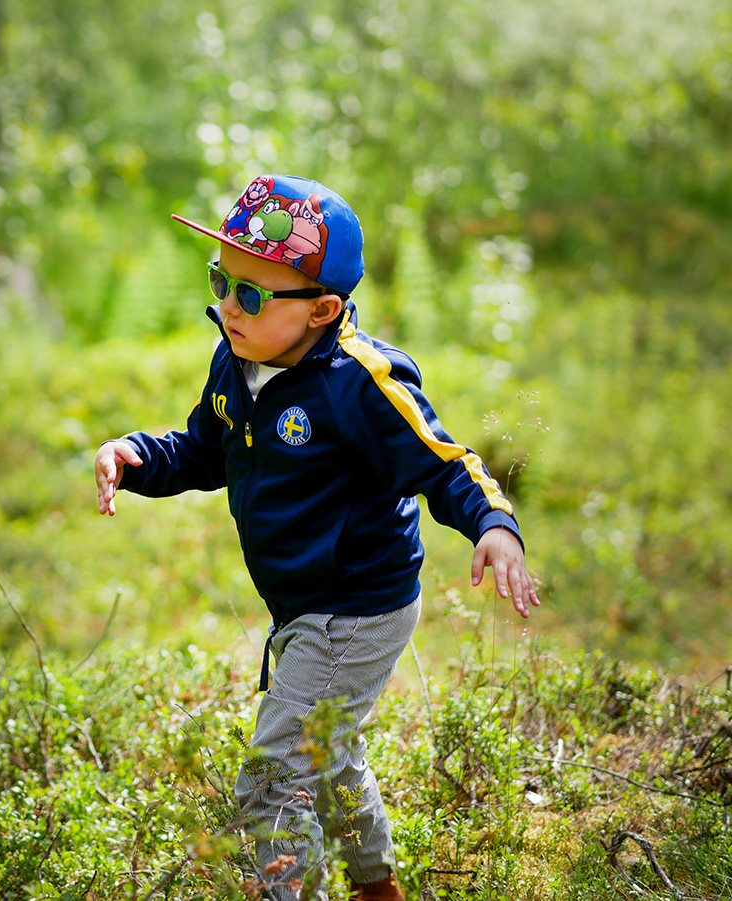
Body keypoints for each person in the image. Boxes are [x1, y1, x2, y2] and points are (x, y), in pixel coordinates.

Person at [93, 174, 538, 901]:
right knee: (330, 753)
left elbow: (444, 462)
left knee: (273, 779)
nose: (228, 307)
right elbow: (203, 451)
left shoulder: (360, 382)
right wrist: (136, 454)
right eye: (223, 281)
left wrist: (494, 523)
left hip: (355, 605)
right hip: (303, 603)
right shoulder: (237, 359)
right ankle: (377, 886)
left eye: (255, 295)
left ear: (322, 309)